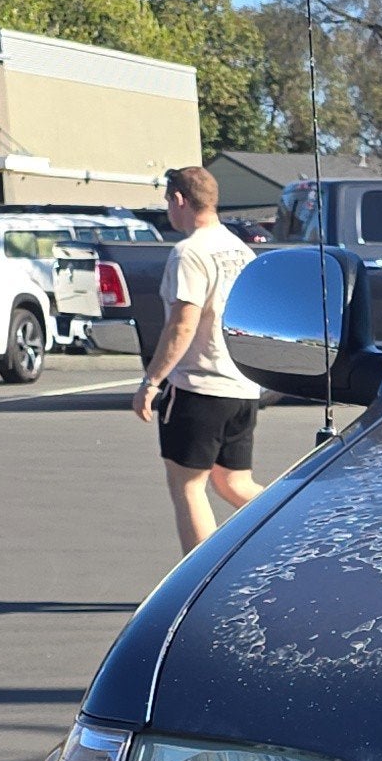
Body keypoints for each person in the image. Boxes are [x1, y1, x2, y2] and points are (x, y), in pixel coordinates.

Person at [134, 167, 264, 552]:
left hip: (200, 387)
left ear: (179, 200)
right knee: (233, 483)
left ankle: (197, 585)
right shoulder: (240, 250)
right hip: (241, 386)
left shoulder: (189, 252)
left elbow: (182, 323)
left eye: (167, 201)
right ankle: (298, 532)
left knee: (188, 486)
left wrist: (151, 382)